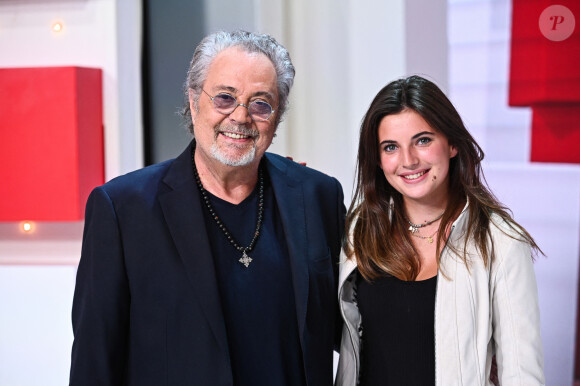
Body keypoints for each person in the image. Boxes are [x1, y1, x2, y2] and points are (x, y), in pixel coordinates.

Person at [70, 30, 345, 385]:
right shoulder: (123, 209)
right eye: (225, 98)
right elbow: (95, 361)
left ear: (277, 118)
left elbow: (357, 325)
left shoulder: (318, 195)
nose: (241, 117)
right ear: (193, 99)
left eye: (261, 103)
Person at [336, 75, 544, 385]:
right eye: (391, 147)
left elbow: (521, 374)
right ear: (378, 160)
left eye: (422, 140)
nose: (408, 161)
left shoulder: (502, 243)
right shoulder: (360, 232)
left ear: (452, 144)